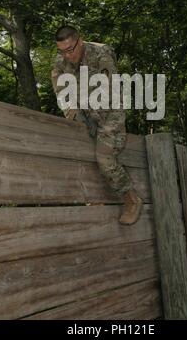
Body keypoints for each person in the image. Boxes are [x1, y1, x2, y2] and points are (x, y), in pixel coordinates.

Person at [51, 26, 143, 225]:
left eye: (71, 49)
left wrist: (94, 119)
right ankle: (96, 199)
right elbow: (62, 93)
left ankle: (132, 199)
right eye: (62, 51)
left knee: (104, 157)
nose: (67, 55)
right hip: (85, 112)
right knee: (80, 150)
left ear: (80, 41)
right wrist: (74, 115)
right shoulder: (60, 63)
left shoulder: (101, 53)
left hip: (110, 113)